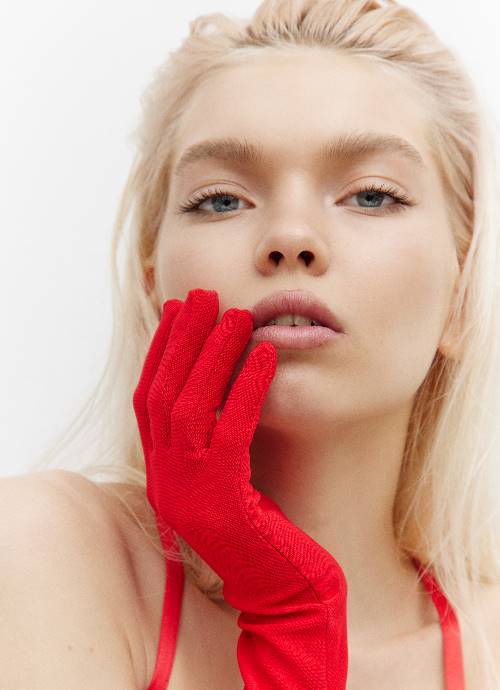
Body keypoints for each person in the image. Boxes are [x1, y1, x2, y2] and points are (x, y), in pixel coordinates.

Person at [2, 0, 500, 687]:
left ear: (463, 296)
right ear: (153, 286)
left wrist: (293, 610)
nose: (290, 236)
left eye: (371, 195)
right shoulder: (45, 550)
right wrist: (291, 616)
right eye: (221, 200)